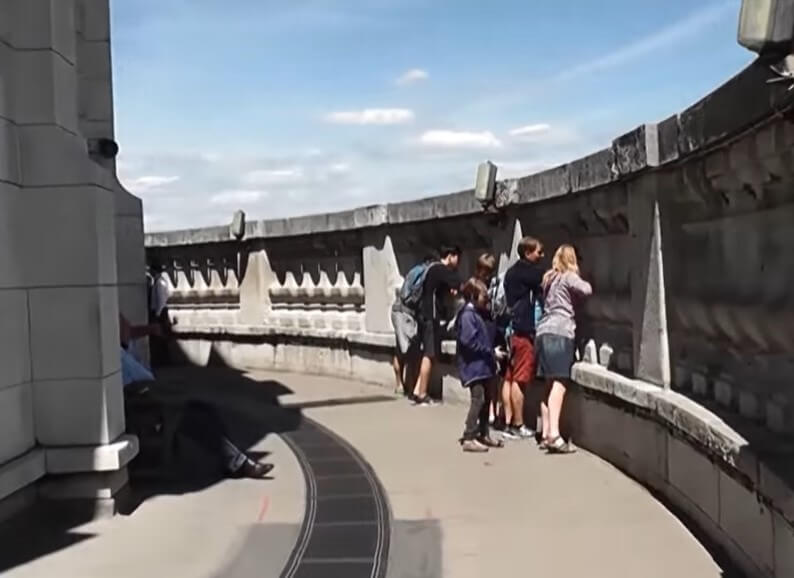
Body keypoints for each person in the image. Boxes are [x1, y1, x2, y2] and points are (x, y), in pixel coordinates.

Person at [120, 315, 273, 478]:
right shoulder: (116, 358)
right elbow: (131, 388)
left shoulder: (125, 350)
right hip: (147, 400)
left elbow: (129, 331)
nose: (127, 326)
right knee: (196, 417)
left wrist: (150, 329)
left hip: (155, 392)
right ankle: (238, 462)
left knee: (205, 409)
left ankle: (235, 458)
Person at [536, 245, 592, 454]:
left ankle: (545, 433)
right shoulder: (567, 276)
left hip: (542, 331)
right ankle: (554, 435)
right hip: (560, 332)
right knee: (560, 383)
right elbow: (586, 289)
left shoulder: (549, 279)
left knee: (548, 384)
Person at [501, 236, 545, 440]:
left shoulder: (510, 273)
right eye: (538, 252)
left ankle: (508, 421)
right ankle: (518, 424)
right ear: (527, 253)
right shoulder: (529, 273)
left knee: (509, 378)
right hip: (523, 332)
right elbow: (545, 279)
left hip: (510, 330)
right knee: (520, 379)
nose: (541, 256)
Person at [456, 278, 505, 452]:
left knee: (486, 401)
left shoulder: (475, 313)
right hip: (474, 366)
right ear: (474, 296)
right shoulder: (468, 315)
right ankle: (469, 435)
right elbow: (469, 341)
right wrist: (491, 353)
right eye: (483, 295)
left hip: (483, 366)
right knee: (478, 400)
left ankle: (483, 433)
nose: (487, 298)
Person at [412, 245, 462, 406]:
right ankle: (422, 394)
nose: (458, 262)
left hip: (423, 314)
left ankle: (417, 389)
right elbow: (459, 284)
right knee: (429, 354)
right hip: (430, 315)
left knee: (427, 352)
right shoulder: (441, 270)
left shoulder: (431, 269)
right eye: (457, 257)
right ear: (450, 256)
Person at [391, 254, 436, 395]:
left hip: (396, 309)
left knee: (399, 348)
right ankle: (411, 387)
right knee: (412, 351)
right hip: (407, 313)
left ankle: (399, 383)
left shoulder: (414, 271)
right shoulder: (425, 273)